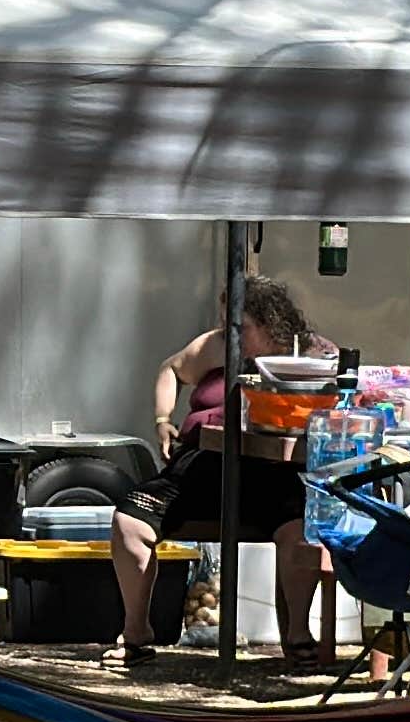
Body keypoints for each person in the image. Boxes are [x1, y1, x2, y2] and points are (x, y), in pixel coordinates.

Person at [102, 276, 317, 659]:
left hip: (271, 471)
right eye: (226, 322)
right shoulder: (213, 345)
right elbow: (170, 369)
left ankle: (298, 636)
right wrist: (162, 419)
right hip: (200, 467)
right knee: (130, 521)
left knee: (299, 532)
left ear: (269, 323)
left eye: (240, 325)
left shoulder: (303, 351)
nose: (229, 332)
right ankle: (136, 632)